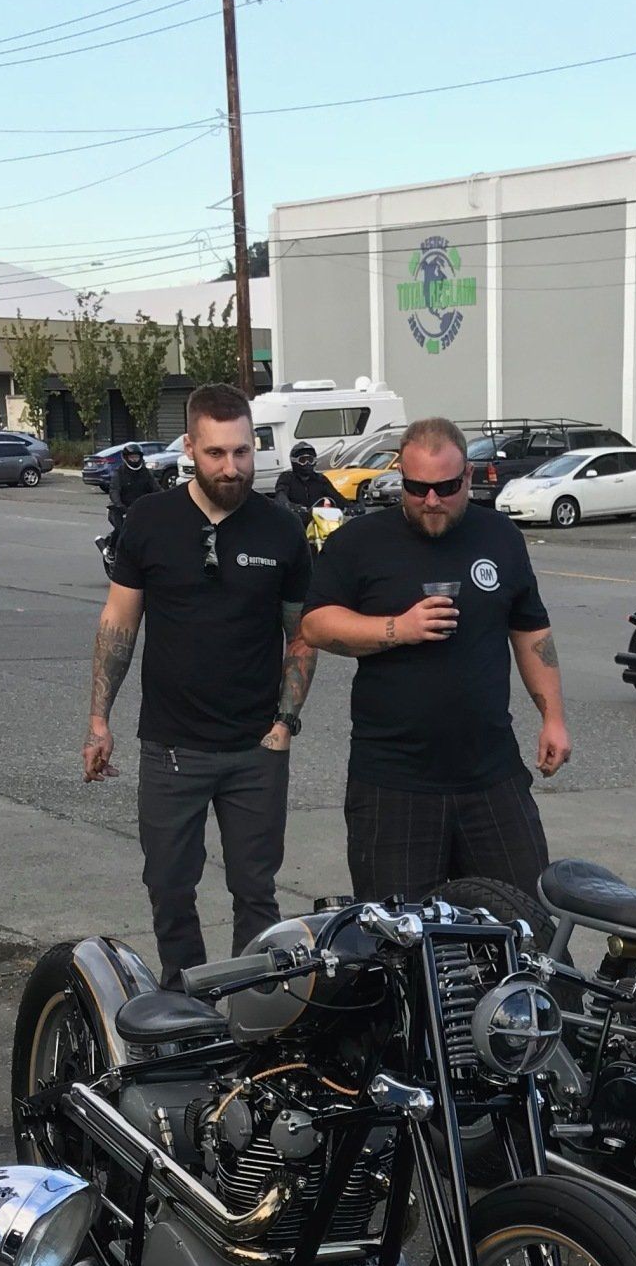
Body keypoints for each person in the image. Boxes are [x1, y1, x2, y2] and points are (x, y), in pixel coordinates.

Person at [84, 382, 317, 985]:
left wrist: (284, 723)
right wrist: (99, 720)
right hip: (170, 748)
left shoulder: (281, 529)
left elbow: (302, 635)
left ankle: (250, 1012)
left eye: (243, 452)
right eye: (216, 453)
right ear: (189, 446)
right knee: (168, 887)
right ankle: (184, 1011)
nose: (232, 467)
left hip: (255, 749)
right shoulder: (150, 521)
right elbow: (119, 623)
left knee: (256, 894)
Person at [301, 413, 570, 899]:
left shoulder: (500, 537)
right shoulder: (360, 543)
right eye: (416, 486)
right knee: (398, 945)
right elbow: (316, 624)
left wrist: (553, 717)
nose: (430, 500)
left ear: (468, 475)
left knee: (529, 925)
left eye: (446, 487)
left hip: (491, 776)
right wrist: (397, 628)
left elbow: (531, 631)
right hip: (393, 783)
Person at [273, 440, 343, 527]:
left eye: (310, 460)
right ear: (294, 461)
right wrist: (289, 505)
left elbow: (336, 496)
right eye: (303, 460)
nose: (307, 464)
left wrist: (351, 506)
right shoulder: (287, 478)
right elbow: (280, 494)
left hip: (319, 522)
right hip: (295, 523)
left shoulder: (320, 479)